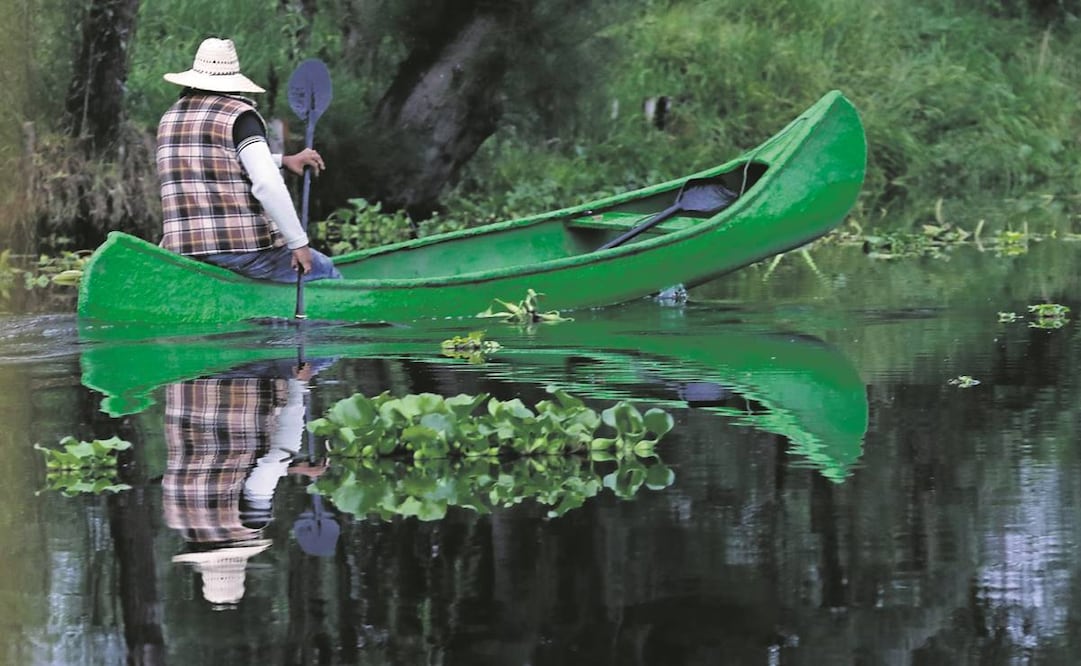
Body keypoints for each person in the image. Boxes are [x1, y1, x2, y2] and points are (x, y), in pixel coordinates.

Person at [157, 37, 341, 282]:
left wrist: (283, 160)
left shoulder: (170, 118)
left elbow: (215, 161)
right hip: (241, 251)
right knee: (324, 270)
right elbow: (267, 184)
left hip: (183, 250)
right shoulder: (240, 116)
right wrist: (299, 244)